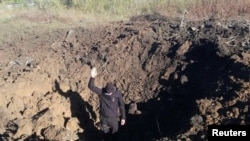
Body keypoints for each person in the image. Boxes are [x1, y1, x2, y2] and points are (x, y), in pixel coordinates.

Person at [88, 67, 126, 140]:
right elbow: (91, 86)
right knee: (106, 135)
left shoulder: (117, 94)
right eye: (107, 92)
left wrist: (123, 117)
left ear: (113, 90)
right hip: (104, 118)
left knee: (115, 135)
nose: (109, 94)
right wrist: (92, 77)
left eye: (110, 93)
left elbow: (121, 106)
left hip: (114, 119)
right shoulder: (102, 92)